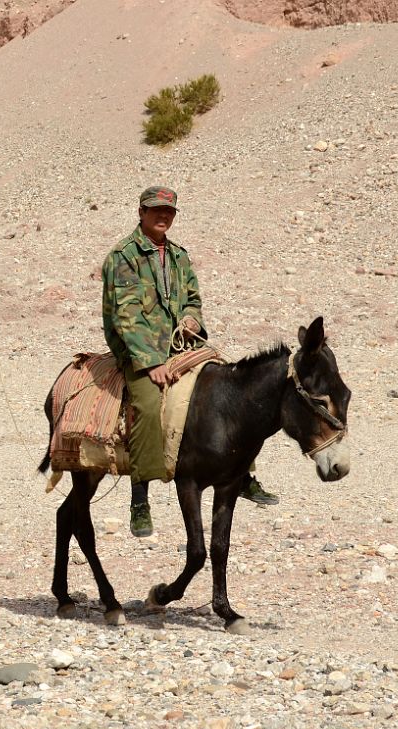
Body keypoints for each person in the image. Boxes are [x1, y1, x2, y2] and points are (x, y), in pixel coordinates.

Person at [100, 186, 277, 539]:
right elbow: (127, 316)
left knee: (233, 389)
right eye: (155, 210)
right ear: (141, 212)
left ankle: (242, 475)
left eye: (169, 211)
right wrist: (150, 364)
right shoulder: (123, 256)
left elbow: (192, 298)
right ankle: (140, 497)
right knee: (149, 404)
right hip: (139, 352)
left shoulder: (179, 257)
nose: (163, 216)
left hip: (181, 348)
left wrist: (192, 318)